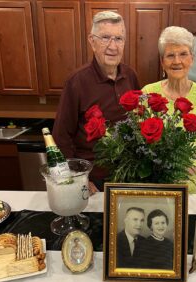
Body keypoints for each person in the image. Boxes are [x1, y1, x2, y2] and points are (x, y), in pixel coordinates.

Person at [52, 11, 140, 192]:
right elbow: (61, 137)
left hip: (127, 175)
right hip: (92, 180)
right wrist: (78, 178)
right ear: (92, 41)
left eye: (118, 38)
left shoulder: (130, 76)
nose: (113, 46)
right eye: (105, 38)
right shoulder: (76, 82)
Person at [142, 26, 196, 194]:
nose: (177, 61)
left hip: (189, 184)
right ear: (163, 62)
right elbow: (140, 138)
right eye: (170, 55)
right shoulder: (148, 93)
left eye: (183, 54)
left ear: (192, 59)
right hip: (156, 181)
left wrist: (190, 167)